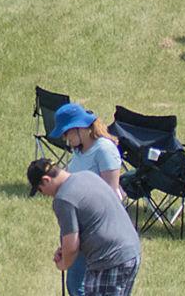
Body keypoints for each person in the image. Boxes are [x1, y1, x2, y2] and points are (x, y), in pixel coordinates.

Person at [26, 159, 141, 296]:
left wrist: (63, 263)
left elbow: (72, 245)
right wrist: (65, 250)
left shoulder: (63, 199)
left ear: (46, 180)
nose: (44, 194)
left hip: (109, 260)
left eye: (40, 190)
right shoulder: (87, 176)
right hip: (131, 252)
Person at [48, 102, 121, 296]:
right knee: (75, 285)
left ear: (80, 129)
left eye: (66, 133)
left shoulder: (104, 150)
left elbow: (110, 195)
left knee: (82, 287)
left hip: (98, 231)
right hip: (80, 228)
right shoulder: (79, 152)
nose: (65, 139)